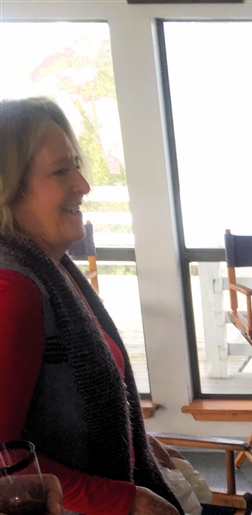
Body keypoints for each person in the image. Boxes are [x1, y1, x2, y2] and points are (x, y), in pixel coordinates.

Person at [0, 97, 182, 514]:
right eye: (61, 171)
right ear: (8, 188)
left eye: (76, 166)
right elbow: (2, 460)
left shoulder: (54, 269)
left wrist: (137, 442)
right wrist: (124, 500)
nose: (83, 184)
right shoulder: (15, 288)